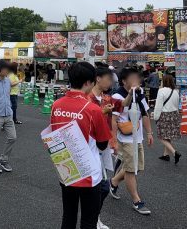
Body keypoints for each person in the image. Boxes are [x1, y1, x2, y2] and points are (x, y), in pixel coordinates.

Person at [50, 62, 111, 229]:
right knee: (88, 221)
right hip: (89, 173)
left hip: (66, 168)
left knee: (68, 217)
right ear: (88, 83)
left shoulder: (57, 105)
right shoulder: (93, 109)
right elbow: (103, 143)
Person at [110, 67, 153, 215]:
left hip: (138, 137)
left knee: (137, 168)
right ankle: (137, 201)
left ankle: (114, 181)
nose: (137, 81)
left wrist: (149, 133)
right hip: (126, 138)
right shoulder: (117, 96)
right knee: (131, 170)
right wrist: (113, 140)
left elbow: (145, 113)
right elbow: (114, 119)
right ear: (123, 81)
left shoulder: (140, 93)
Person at [87, 66, 121, 229]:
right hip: (89, 147)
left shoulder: (107, 98)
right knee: (102, 186)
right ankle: (92, 219)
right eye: (108, 78)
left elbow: (122, 106)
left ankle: (94, 218)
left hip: (103, 146)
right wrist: (102, 112)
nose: (110, 82)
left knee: (101, 187)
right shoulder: (87, 98)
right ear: (98, 78)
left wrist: (133, 90)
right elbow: (86, 120)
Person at [154, 74, 181, 163]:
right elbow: (177, 105)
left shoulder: (161, 91)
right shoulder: (176, 91)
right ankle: (166, 155)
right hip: (174, 114)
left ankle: (174, 152)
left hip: (164, 115)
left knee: (161, 136)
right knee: (168, 135)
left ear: (164, 81)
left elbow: (158, 106)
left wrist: (156, 117)